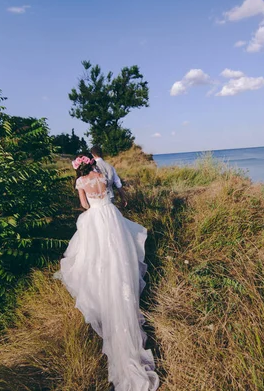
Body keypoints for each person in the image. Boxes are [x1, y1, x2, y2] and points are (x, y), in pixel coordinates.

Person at [55, 153, 159, 391]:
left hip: (96, 220)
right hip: (111, 216)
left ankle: (102, 289)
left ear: (79, 168)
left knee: (94, 256)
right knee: (120, 255)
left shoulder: (81, 183)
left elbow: (84, 206)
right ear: (92, 164)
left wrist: (89, 199)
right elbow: (109, 193)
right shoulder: (102, 175)